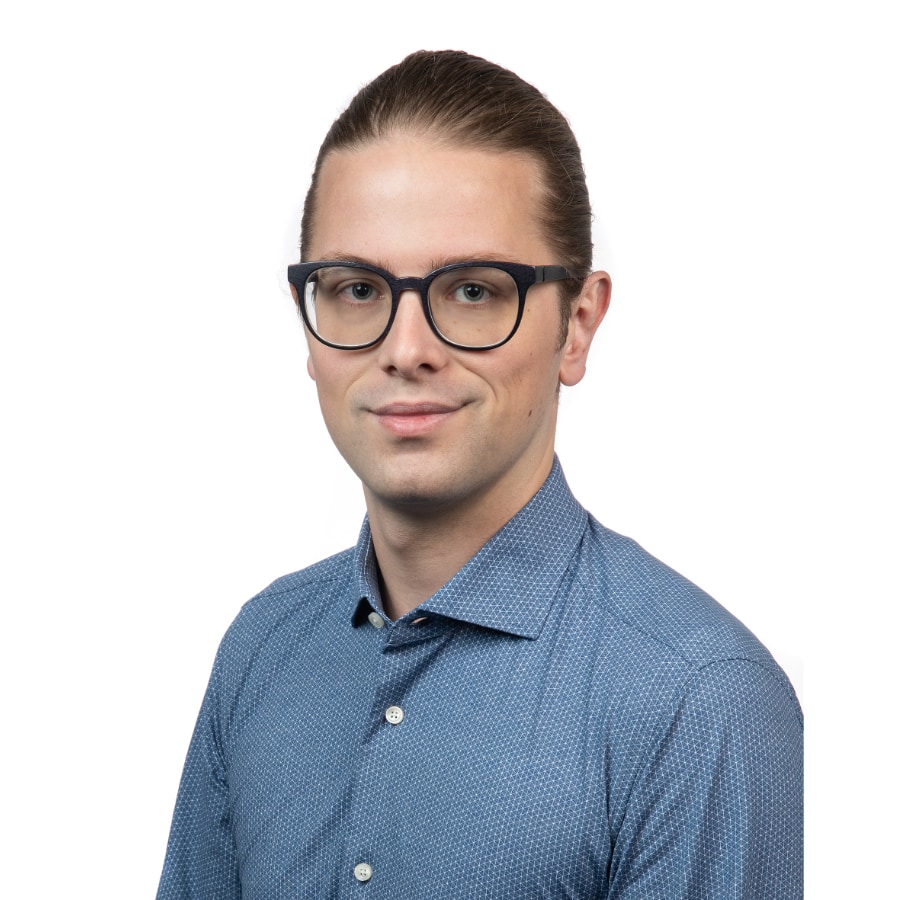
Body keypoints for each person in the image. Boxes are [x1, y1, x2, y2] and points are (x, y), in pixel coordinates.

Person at [156, 50, 803, 898]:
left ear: (577, 325)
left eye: (471, 291)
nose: (405, 350)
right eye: (357, 289)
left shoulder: (698, 700)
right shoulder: (263, 648)